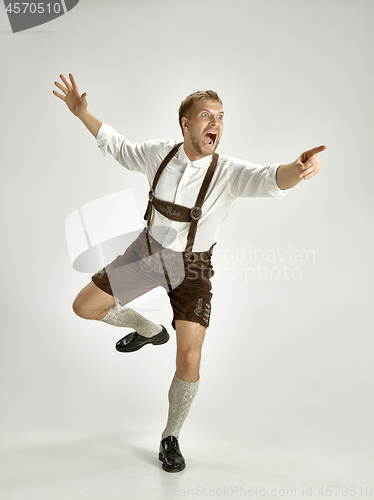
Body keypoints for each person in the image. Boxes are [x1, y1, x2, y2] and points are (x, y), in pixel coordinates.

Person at [53, 73, 326, 473]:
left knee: (189, 358)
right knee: (84, 307)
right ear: (186, 124)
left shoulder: (229, 172)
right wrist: (82, 113)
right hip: (146, 254)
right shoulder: (158, 154)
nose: (215, 122)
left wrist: (297, 169)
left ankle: (170, 436)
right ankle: (148, 330)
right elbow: (117, 145)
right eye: (205, 115)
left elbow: (270, 178)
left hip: (193, 269)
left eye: (220, 116)